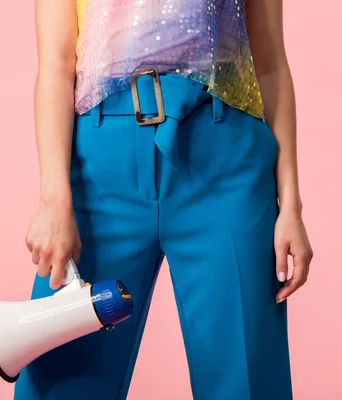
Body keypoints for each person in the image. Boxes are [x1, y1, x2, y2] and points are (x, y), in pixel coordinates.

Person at [17, 0, 313, 399]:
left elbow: (272, 65)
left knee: (247, 382)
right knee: (62, 373)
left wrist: (291, 204)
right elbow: (55, 64)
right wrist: (54, 200)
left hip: (224, 160)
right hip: (97, 168)